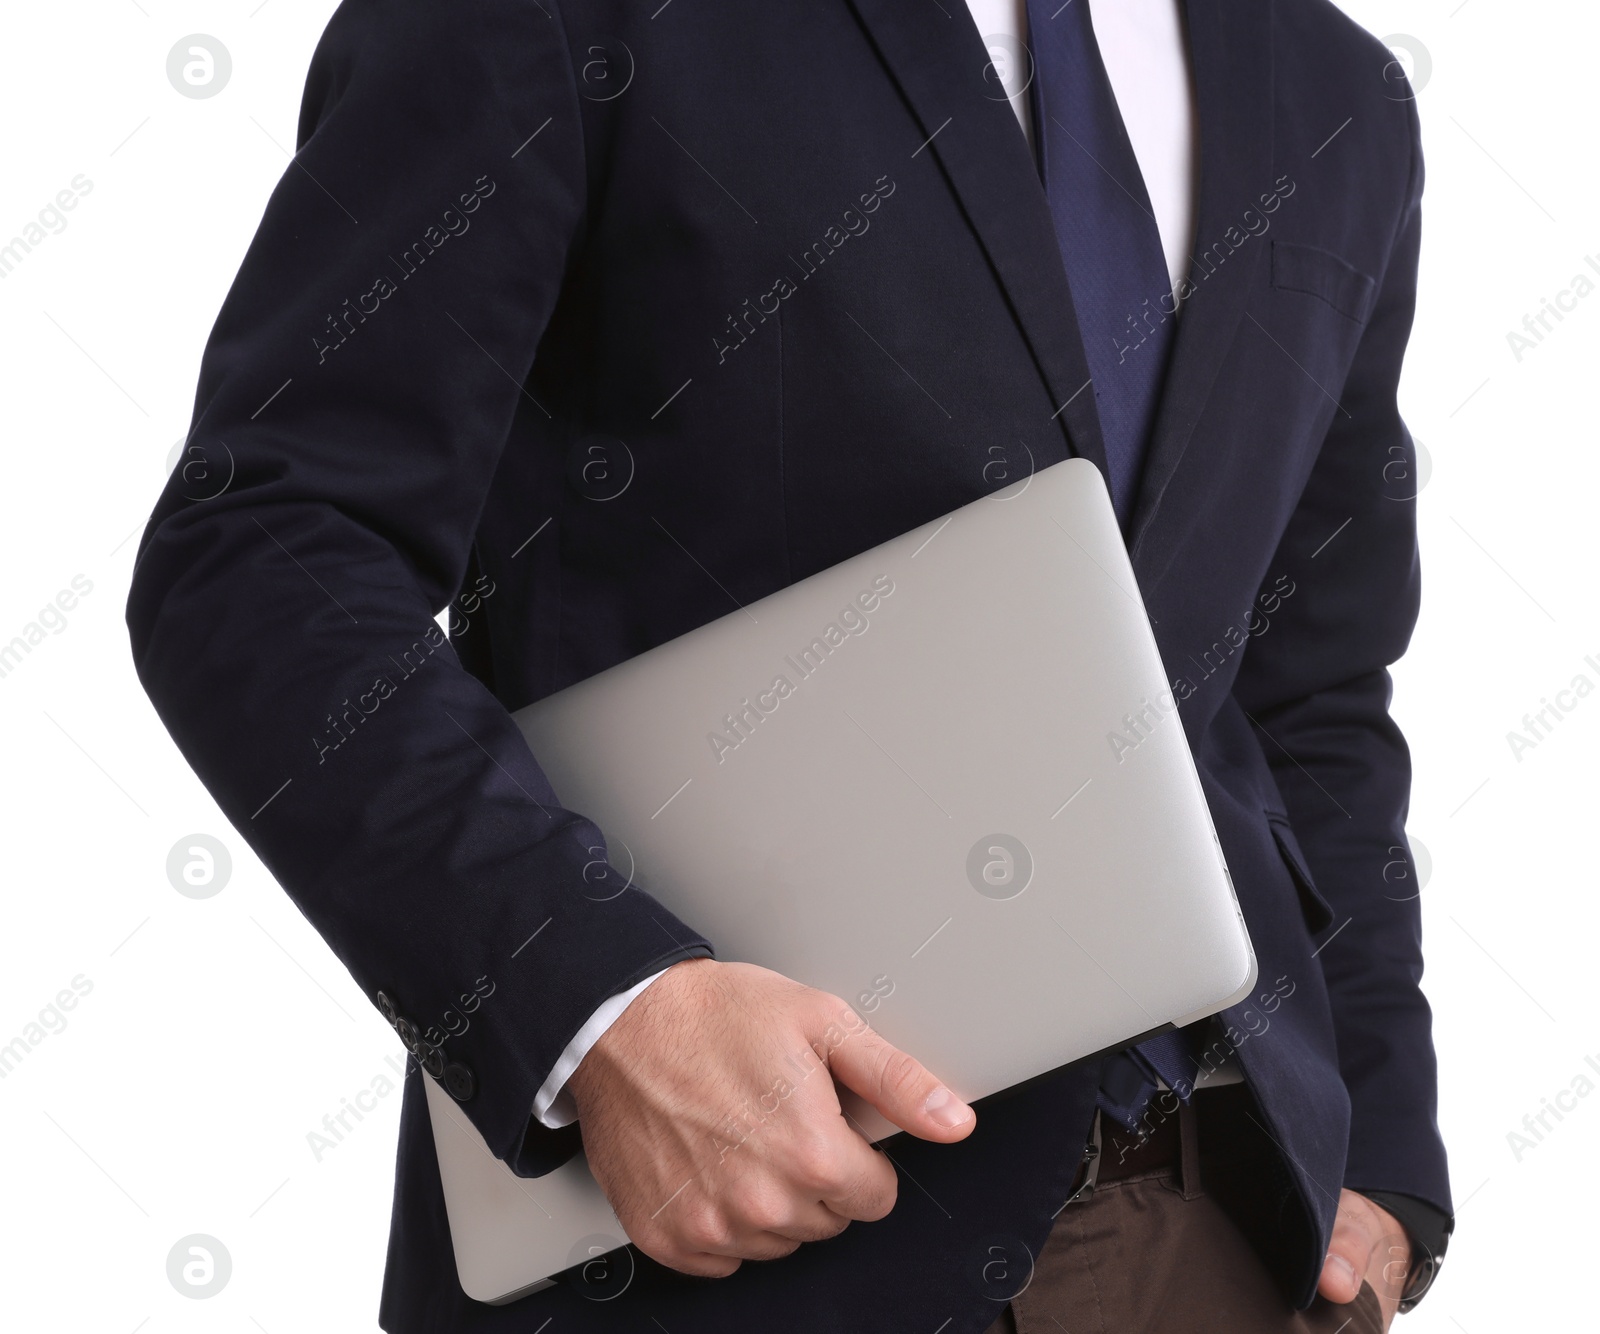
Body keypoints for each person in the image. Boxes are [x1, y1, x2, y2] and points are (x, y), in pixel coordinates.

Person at [126, 0, 1452, 1329]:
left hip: (1217, 1234)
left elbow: (1309, 683)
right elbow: (268, 548)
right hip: (713, 1234)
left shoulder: (1335, 91)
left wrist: (1387, 1154)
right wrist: (601, 1000)